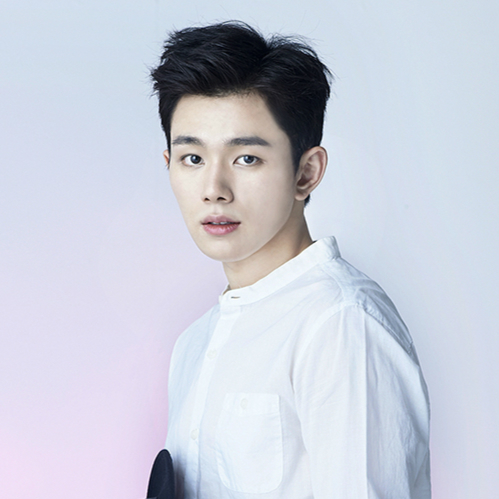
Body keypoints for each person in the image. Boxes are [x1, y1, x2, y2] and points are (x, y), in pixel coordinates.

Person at [150, 21, 431, 499]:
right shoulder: (194, 343)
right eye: (192, 158)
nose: (214, 189)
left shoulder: (341, 323)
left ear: (307, 172)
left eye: (246, 158)